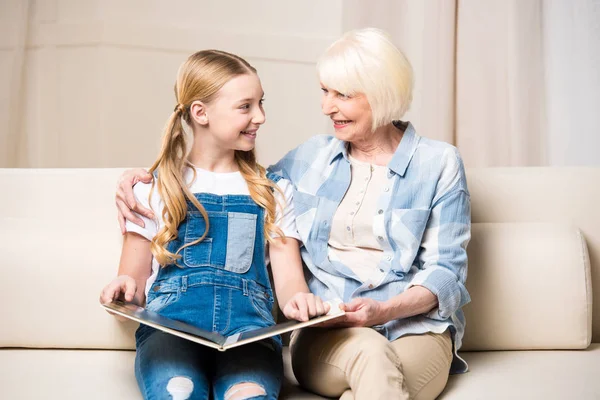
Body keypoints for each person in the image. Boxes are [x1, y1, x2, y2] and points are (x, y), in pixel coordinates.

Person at [116, 28, 471, 400]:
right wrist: (137, 180)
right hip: (331, 333)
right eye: (324, 91)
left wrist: (383, 310)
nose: (326, 107)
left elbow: (446, 271)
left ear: (380, 95)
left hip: (412, 328)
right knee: (369, 355)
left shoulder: (438, 163)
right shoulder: (308, 160)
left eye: (342, 94)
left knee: (372, 379)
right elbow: (228, 177)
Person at [100, 49, 330, 400]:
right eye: (246, 106)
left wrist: (301, 302)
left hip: (248, 334)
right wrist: (123, 290)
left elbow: (290, 285)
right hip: (170, 334)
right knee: (177, 393)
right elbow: (133, 283)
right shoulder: (153, 188)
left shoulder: (274, 191)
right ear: (200, 113)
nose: (261, 117)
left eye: (261, 104)